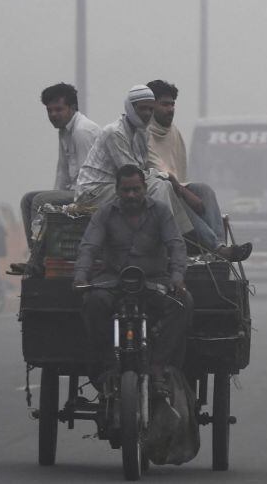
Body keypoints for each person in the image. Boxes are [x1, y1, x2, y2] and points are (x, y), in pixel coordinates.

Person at [74, 164, 193, 395]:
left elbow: (177, 246)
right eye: (126, 190)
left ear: (144, 189)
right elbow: (88, 247)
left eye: (136, 190)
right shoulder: (105, 213)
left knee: (183, 302)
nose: (131, 195)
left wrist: (178, 278)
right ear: (117, 190)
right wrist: (80, 276)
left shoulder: (161, 212)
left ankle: (158, 365)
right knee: (93, 302)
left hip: (153, 281)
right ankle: (109, 366)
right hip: (113, 282)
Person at [146, 79, 251, 261]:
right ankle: (218, 249)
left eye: (172, 104)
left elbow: (178, 173)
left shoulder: (173, 132)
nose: (170, 109)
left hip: (175, 187)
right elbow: (158, 171)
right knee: (175, 195)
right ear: (151, 106)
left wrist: (184, 190)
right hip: (155, 191)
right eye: (164, 104)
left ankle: (218, 247)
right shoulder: (143, 132)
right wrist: (184, 193)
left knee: (204, 190)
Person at [74, 85, 195, 237]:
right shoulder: (115, 132)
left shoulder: (141, 132)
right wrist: (166, 175)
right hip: (94, 191)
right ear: (130, 108)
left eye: (150, 109)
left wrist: (167, 178)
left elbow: (142, 168)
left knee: (164, 185)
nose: (147, 114)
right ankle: (168, 237)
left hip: (115, 186)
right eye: (142, 109)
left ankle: (179, 236)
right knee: (159, 185)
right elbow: (131, 174)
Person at [20, 82, 101, 246]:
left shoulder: (82, 131)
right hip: (75, 192)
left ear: (72, 108)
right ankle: (35, 251)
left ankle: (38, 257)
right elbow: (62, 172)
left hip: (92, 195)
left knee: (39, 201)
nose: (53, 115)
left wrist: (54, 203)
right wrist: (55, 199)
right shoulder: (64, 131)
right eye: (49, 110)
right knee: (28, 200)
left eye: (58, 109)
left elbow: (87, 181)